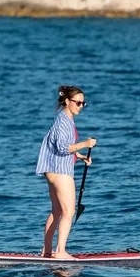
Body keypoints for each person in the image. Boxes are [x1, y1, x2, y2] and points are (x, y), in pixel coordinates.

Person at [35, 85, 97, 259]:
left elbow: (59, 146)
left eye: (83, 103)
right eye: (77, 103)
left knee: (57, 211)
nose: (80, 106)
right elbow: (62, 148)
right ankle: (61, 252)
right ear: (67, 101)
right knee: (68, 211)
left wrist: (80, 155)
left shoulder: (65, 119)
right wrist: (85, 144)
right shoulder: (63, 121)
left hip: (53, 170)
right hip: (60, 171)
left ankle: (47, 251)